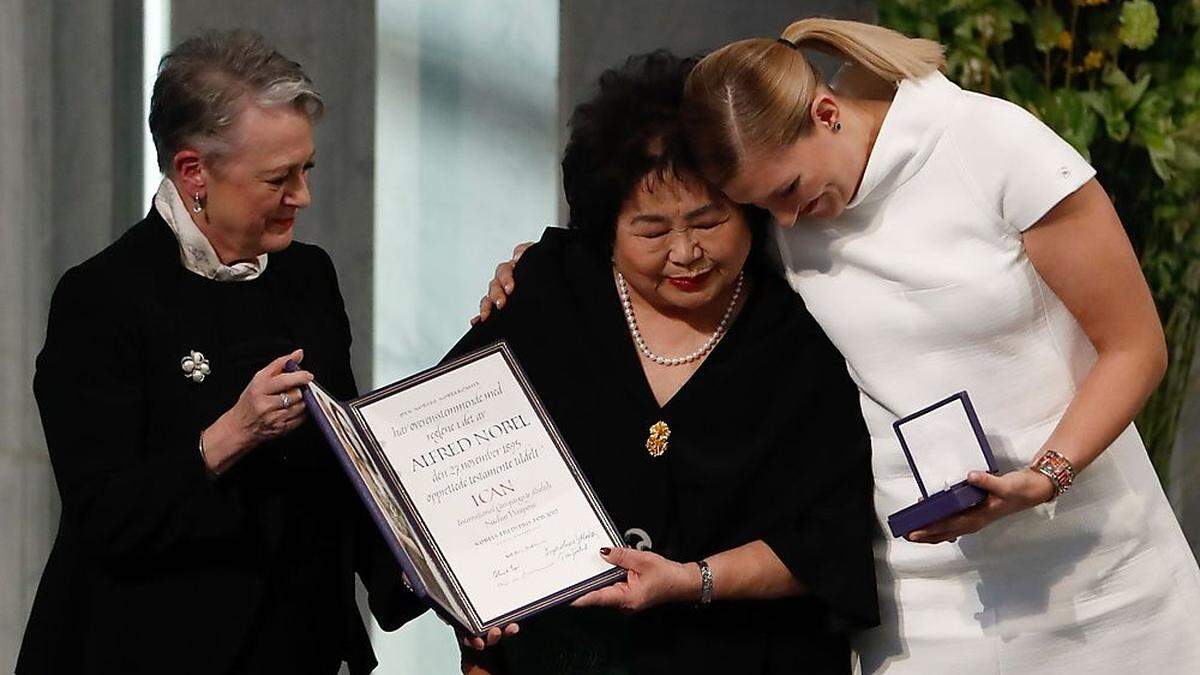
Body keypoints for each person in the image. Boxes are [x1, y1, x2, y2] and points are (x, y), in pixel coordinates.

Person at [484, 17, 1200, 675]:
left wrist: (1045, 475)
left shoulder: (991, 144)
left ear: (826, 113)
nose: (788, 219)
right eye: (763, 207)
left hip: (1096, 567)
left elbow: (1137, 346)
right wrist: (530, 268)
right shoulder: (781, 210)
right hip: (921, 597)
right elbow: (653, 233)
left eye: (791, 191)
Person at [455, 51, 877, 675]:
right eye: (651, 233)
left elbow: (832, 540)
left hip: (746, 654)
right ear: (606, 230)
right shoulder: (549, 290)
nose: (686, 254)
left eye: (710, 221)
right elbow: (443, 452)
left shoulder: (806, 330)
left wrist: (693, 580)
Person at [18, 30, 422, 674]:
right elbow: (105, 516)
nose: (302, 196)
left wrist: (443, 584)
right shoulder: (103, 296)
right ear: (193, 171)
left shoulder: (308, 276)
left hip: (299, 647)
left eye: (306, 170)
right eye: (277, 177)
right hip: (148, 648)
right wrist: (230, 434)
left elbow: (346, 461)